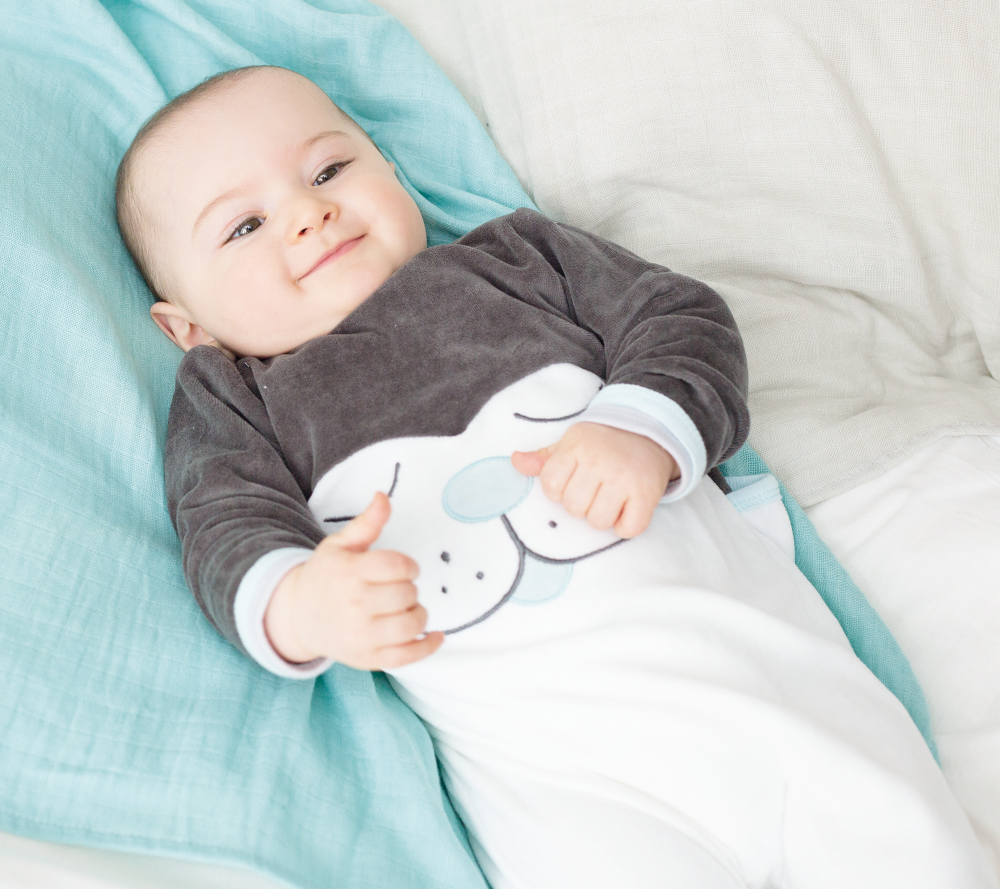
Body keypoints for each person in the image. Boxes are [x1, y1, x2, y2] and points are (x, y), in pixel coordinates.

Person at [116, 64, 995, 889]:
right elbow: (222, 523)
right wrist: (301, 603)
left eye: (329, 169)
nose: (306, 215)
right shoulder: (239, 398)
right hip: (564, 776)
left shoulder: (518, 260)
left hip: (761, 683)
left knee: (904, 844)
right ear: (183, 326)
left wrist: (640, 426)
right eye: (245, 226)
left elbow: (679, 317)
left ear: (387, 164)